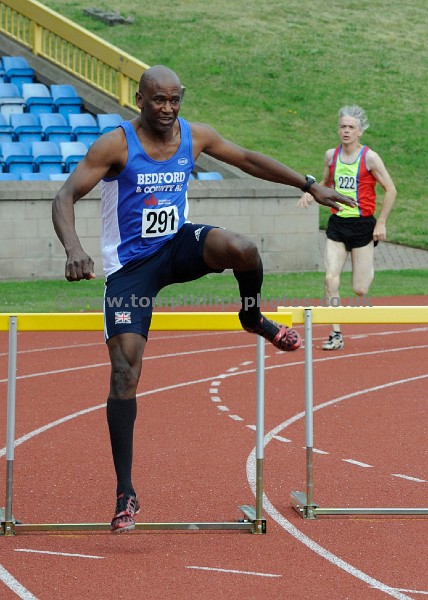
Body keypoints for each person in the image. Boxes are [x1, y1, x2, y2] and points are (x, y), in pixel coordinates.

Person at [52, 65, 355, 533]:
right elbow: (65, 196)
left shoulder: (195, 136)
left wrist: (308, 184)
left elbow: (248, 159)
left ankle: (252, 317)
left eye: (175, 100)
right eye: (158, 100)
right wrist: (74, 248)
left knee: (243, 249)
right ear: (140, 100)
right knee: (125, 370)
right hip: (131, 268)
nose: (168, 109)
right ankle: (125, 492)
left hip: (177, 245)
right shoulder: (115, 145)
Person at [298, 105, 396, 350]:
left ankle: (367, 264)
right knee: (330, 279)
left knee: (360, 289)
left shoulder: (370, 158)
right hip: (338, 225)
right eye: (343, 126)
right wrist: (311, 192)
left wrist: (381, 222)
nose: (346, 131)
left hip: (363, 226)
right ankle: (336, 334)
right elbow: (325, 182)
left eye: (351, 127)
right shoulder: (331, 156)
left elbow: (391, 190)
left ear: (360, 131)